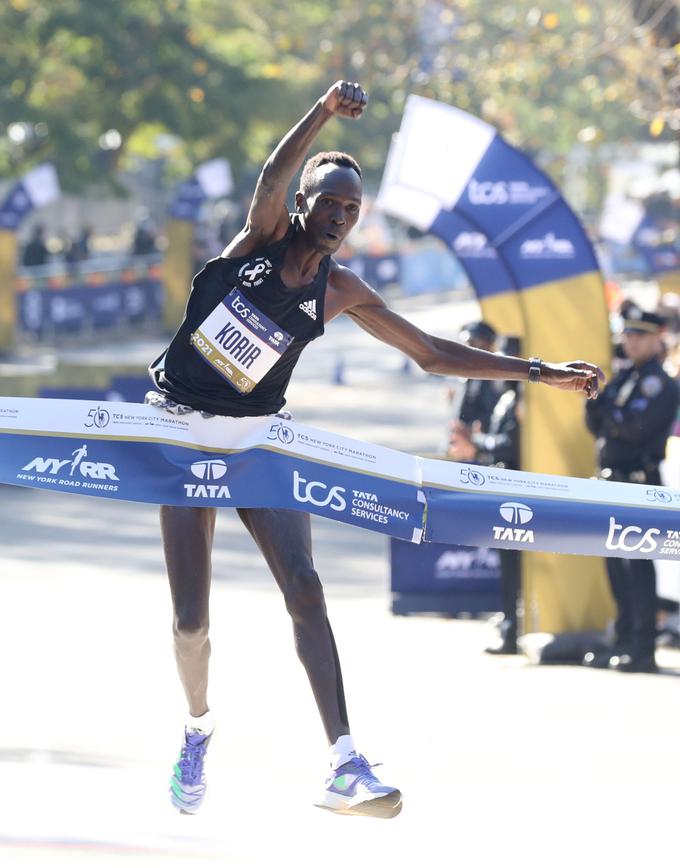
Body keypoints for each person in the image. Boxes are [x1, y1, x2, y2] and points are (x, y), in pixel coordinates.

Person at [147, 80, 604, 819]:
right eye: (328, 201)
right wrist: (324, 111)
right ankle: (198, 728)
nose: (338, 216)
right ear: (303, 204)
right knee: (191, 621)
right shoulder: (261, 239)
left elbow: (429, 352)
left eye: (352, 210)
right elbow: (271, 175)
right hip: (178, 431)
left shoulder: (339, 289)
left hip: (257, 438)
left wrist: (540, 371)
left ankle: (343, 762)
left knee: (306, 586)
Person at [584, 308, 679, 674]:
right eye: (629, 334)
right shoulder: (625, 378)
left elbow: (635, 429)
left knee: (637, 566)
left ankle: (642, 648)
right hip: (613, 480)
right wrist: (605, 412)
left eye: (641, 334)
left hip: (639, 482)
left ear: (658, 338)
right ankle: (622, 640)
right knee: (615, 566)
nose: (633, 341)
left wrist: (610, 417)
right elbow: (597, 421)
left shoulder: (661, 383)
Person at [448, 383, 522, 654]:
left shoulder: (523, 400)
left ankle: (514, 630)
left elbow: (511, 445)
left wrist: (476, 444)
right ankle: (510, 628)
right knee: (509, 567)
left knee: (517, 568)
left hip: (522, 496)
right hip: (505, 492)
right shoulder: (507, 397)